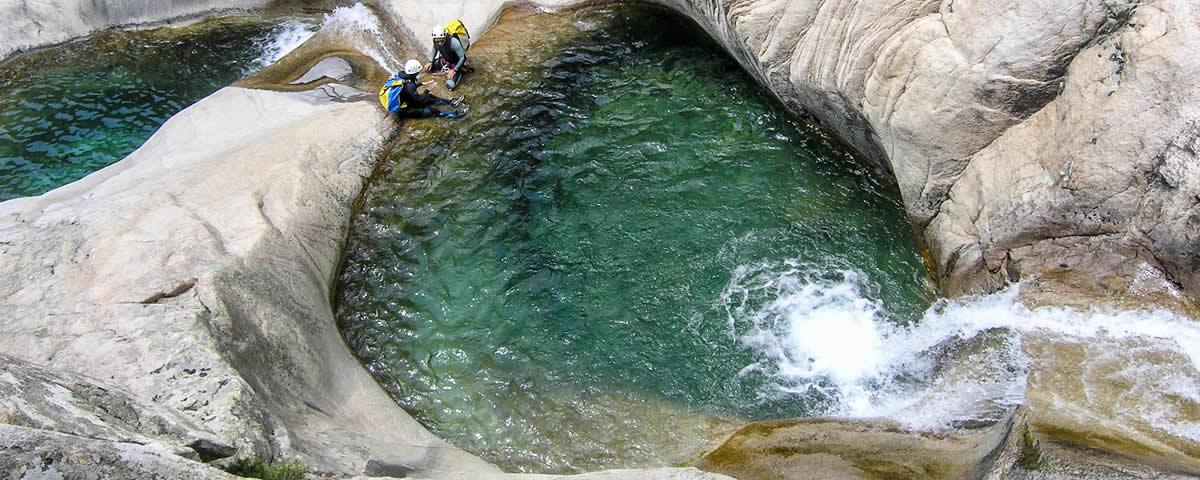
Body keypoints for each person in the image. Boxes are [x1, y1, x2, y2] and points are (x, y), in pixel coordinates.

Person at [379, 59, 465, 119]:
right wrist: (428, 89)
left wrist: (421, 84)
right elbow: (420, 100)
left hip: (405, 99)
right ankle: (454, 114)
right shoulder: (409, 85)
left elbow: (406, 89)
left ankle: (451, 102)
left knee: (430, 97)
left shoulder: (401, 75)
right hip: (403, 110)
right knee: (431, 111)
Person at [427, 26, 469, 90]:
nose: (440, 43)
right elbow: (434, 49)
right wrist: (430, 61)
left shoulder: (454, 42)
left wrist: (454, 70)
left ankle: (459, 73)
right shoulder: (435, 41)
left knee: (450, 85)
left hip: (457, 64)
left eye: (441, 40)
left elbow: (462, 58)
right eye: (437, 41)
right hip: (446, 61)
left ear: (445, 37)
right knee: (428, 69)